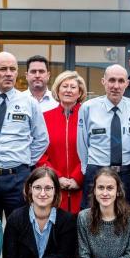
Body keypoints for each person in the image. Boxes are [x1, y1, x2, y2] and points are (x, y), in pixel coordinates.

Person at [0, 51, 49, 220]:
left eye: (12, 69)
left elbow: (42, 139)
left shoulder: (30, 103)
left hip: (18, 178)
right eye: (3, 69)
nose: (8, 73)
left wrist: (25, 162)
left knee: (19, 226)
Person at [77, 64, 130, 209]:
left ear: (127, 83)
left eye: (121, 81)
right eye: (112, 80)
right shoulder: (88, 108)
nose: (116, 86)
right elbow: (82, 143)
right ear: (103, 81)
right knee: (91, 216)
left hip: (127, 174)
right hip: (97, 172)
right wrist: (87, 169)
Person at [37, 71, 87, 213]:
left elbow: (93, 149)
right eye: (64, 86)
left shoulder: (88, 116)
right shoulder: (45, 117)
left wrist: (77, 178)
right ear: (57, 90)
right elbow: (39, 152)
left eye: (73, 87)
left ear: (80, 92)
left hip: (81, 187)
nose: (68, 90)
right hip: (52, 187)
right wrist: (56, 177)